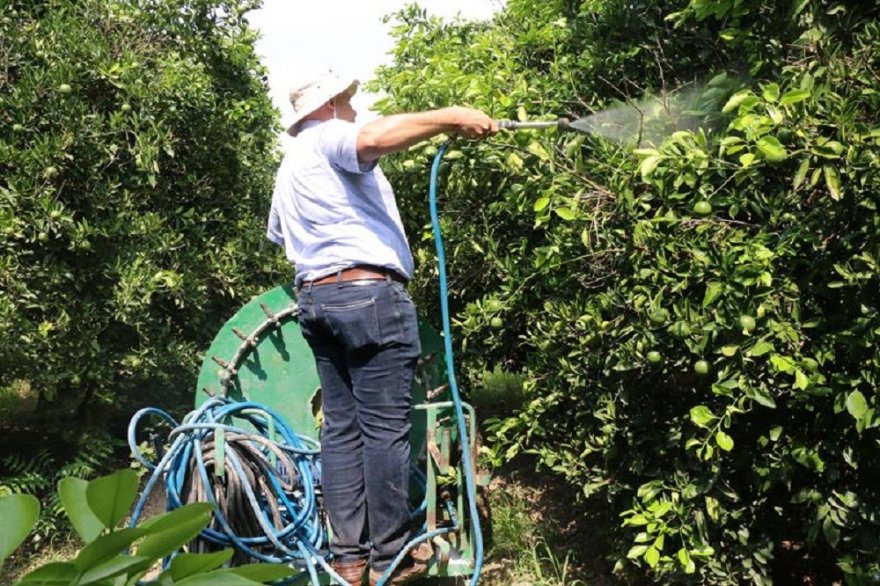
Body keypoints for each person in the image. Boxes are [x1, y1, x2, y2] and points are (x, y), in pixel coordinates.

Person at [266, 70, 498, 586]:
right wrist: (450, 118)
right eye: (347, 101)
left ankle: (349, 558)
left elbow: (280, 235)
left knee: (342, 431)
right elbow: (371, 138)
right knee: (385, 429)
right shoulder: (328, 135)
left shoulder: (289, 167)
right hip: (370, 296)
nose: (353, 108)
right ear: (325, 107)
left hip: (317, 299)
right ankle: (391, 555)